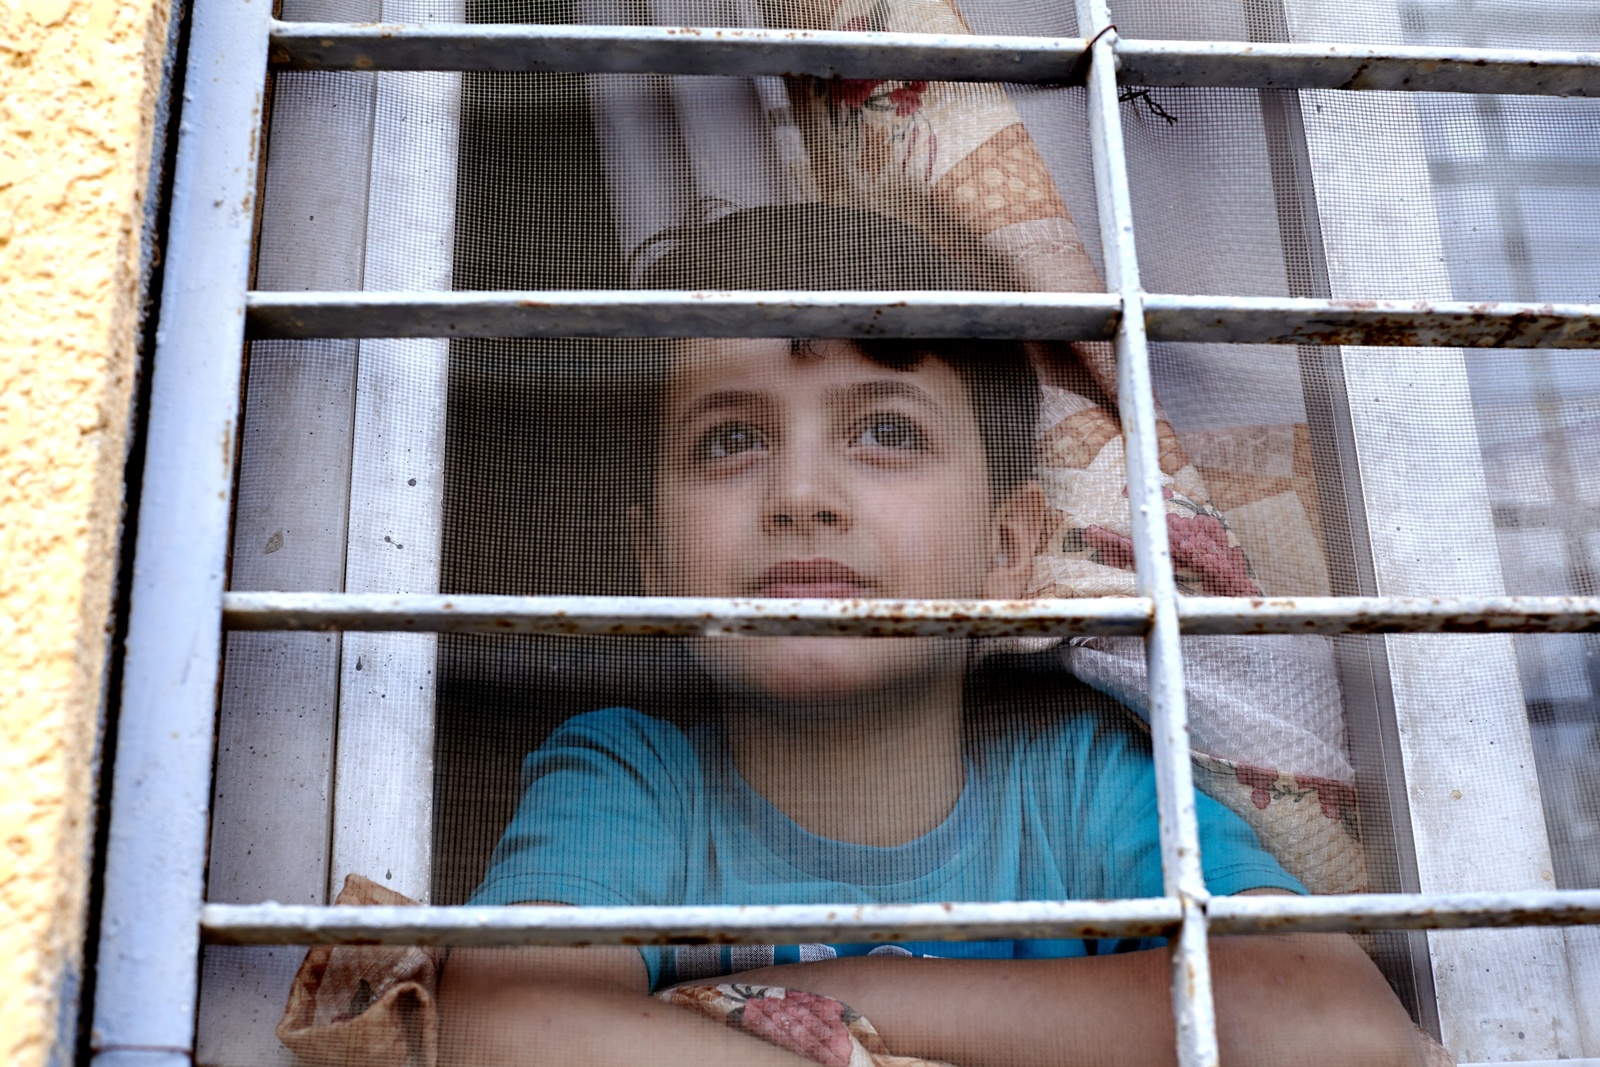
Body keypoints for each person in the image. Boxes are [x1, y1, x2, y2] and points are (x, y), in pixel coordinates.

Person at [438, 204, 1427, 1067]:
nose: (802, 496)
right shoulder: (633, 785)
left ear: (1006, 549)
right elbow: (500, 1027)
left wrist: (850, 999)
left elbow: (1330, 1022)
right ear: (654, 564)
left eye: (887, 431)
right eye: (730, 439)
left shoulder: (1076, 784)